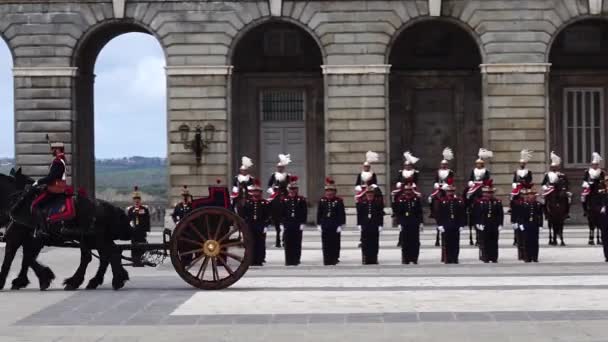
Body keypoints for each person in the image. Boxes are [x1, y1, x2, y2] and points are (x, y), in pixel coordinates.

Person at [31, 141, 68, 224]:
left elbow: (51, 178)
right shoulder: (62, 159)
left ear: (58, 150)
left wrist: (38, 182)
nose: (52, 151)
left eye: (53, 149)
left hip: (54, 189)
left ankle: (43, 229)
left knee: (35, 205)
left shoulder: (58, 161)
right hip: (58, 187)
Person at [316, 177, 346, 266]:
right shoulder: (322, 200)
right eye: (328, 191)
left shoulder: (338, 201)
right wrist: (319, 224)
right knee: (325, 243)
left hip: (335, 225)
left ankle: (334, 258)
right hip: (325, 224)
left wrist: (341, 224)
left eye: (331, 190)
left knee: (335, 243)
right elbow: (319, 213)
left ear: (334, 192)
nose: (329, 192)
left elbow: (341, 213)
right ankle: (326, 259)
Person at [242, 179, 271, 266]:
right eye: (254, 191)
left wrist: (266, 225)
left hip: (260, 225)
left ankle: (260, 259)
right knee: (250, 242)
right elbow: (244, 214)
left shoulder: (264, 203)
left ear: (260, 192)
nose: (255, 193)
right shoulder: (248, 203)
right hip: (250, 225)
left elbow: (268, 215)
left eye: (257, 191)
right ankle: (251, 259)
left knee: (260, 243)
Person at [474, 180, 504, 263]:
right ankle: (485, 257)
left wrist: (500, 224)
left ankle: (494, 257)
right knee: (484, 242)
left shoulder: (497, 202)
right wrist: (478, 223)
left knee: (494, 241)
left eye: (490, 192)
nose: (488, 194)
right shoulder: (479, 202)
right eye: (486, 193)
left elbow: (500, 214)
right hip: (484, 224)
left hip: (494, 224)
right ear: (483, 193)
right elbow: (476, 214)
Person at [437, 179, 466, 264]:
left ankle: (455, 258)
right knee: (447, 243)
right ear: (446, 192)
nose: (450, 193)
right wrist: (440, 224)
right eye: (449, 191)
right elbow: (439, 214)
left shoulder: (459, 200)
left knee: (456, 243)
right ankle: (448, 258)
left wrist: (462, 224)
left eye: (452, 191)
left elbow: (462, 214)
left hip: (456, 225)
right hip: (446, 225)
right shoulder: (442, 201)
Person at [393, 184, 423, 264]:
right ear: (404, 191)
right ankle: (405, 259)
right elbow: (399, 213)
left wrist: (421, 223)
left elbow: (419, 212)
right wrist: (399, 223)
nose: (408, 192)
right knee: (405, 242)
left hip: (414, 223)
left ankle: (414, 258)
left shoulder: (416, 199)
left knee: (415, 242)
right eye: (407, 190)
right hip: (405, 224)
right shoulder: (401, 200)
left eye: (410, 190)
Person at [280, 176, 307, 266]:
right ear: (288, 189)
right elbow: (282, 212)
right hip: (288, 224)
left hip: (297, 224)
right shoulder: (284, 200)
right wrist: (282, 223)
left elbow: (304, 212)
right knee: (288, 243)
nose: (292, 191)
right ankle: (288, 260)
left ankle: (296, 259)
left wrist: (303, 223)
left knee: (297, 243)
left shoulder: (301, 200)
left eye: (294, 189)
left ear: (297, 189)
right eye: (291, 189)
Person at [356, 186, 385, 265]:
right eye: (368, 193)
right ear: (366, 194)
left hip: (374, 225)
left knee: (374, 243)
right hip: (365, 226)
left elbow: (380, 215)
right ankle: (365, 258)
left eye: (371, 193)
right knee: (365, 243)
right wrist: (359, 224)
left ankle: (374, 258)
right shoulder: (362, 203)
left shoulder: (378, 203)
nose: (370, 195)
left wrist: (380, 225)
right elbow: (359, 215)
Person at [268, 154, 292, 247]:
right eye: (278, 167)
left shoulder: (287, 175)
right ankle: (270, 216)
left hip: (285, 192)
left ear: (284, 167)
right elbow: (269, 185)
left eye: (281, 167)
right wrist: (272, 192)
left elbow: (290, 185)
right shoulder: (273, 175)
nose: (280, 168)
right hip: (276, 192)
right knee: (269, 203)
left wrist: (288, 190)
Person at [510, 149, 533, 246]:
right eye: (521, 163)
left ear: (525, 164)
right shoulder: (516, 172)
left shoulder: (529, 172)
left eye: (523, 163)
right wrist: (515, 185)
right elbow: (514, 181)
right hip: (519, 187)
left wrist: (526, 184)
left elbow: (530, 180)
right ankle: (511, 207)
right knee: (512, 196)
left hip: (526, 187)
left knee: (532, 196)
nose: (522, 165)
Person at [516, 187, 543, 263]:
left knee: (535, 242)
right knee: (526, 241)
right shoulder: (523, 204)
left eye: (532, 195)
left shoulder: (538, 204)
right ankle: (527, 257)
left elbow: (540, 215)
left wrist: (540, 225)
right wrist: (520, 224)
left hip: (534, 224)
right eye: (529, 195)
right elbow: (520, 215)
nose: (531, 196)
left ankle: (535, 257)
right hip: (526, 224)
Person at [541, 152, 571, 217]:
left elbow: (567, 183)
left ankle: (566, 213)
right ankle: (546, 213)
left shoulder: (562, 175)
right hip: (550, 189)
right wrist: (546, 188)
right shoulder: (547, 174)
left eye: (555, 167)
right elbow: (543, 183)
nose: (554, 168)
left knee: (568, 199)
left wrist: (565, 189)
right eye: (553, 167)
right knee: (544, 200)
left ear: (558, 167)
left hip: (560, 190)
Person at [126, 186, 150, 267]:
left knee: (142, 245)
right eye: (135, 200)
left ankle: (141, 260)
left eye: (138, 200)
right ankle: (135, 261)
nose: (136, 201)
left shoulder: (144, 209)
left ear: (140, 200)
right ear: (133, 201)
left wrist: (147, 229)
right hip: (134, 231)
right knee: (134, 246)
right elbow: (128, 220)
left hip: (141, 231)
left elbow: (147, 220)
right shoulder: (130, 210)